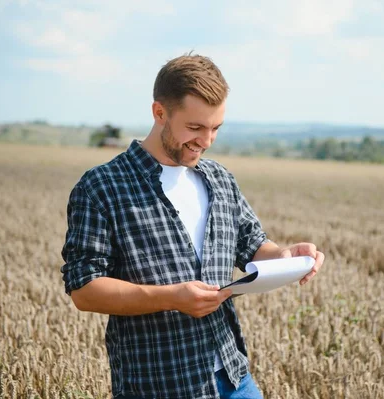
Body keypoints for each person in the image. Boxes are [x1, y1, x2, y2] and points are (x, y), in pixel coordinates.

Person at [61, 53, 325, 399]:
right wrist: (171, 298)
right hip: (158, 386)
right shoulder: (101, 187)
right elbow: (84, 289)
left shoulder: (219, 178)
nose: (207, 140)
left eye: (216, 128)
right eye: (195, 128)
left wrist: (287, 256)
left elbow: (253, 246)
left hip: (233, 378)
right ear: (160, 113)